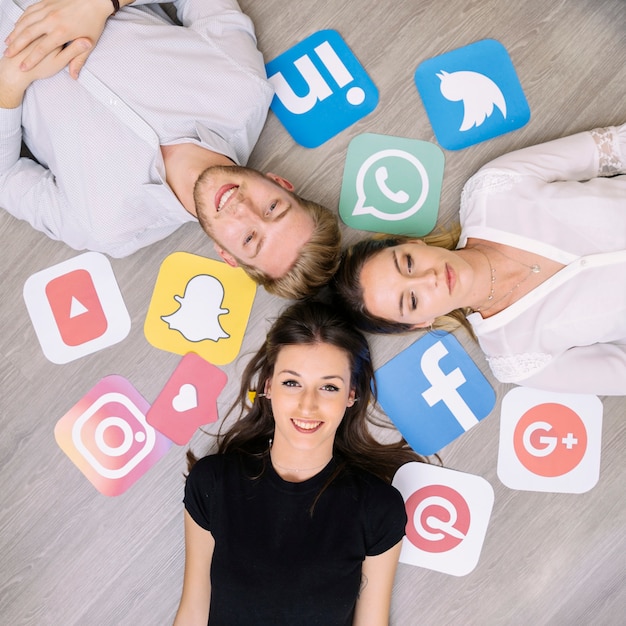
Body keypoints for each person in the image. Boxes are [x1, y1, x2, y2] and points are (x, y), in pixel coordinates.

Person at [0, 0, 341, 299]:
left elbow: (5, 177)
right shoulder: (243, 88)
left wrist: (11, 80)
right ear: (280, 183)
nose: (243, 209)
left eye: (251, 238)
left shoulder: (108, 228)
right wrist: (99, 4)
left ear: (227, 255)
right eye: (272, 208)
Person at [174, 300, 426, 625]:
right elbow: (193, 611)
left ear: (351, 395)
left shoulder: (377, 508)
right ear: (268, 386)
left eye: (329, 387)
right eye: (292, 382)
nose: (308, 405)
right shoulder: (213, 484)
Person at [334, 123, 626, 395]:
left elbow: (611, 148)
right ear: (421, 323)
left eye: (409, 263)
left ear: (412, 242)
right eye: (412, 300)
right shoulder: (516, 356)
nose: (429, 279)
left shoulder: (494, 188)